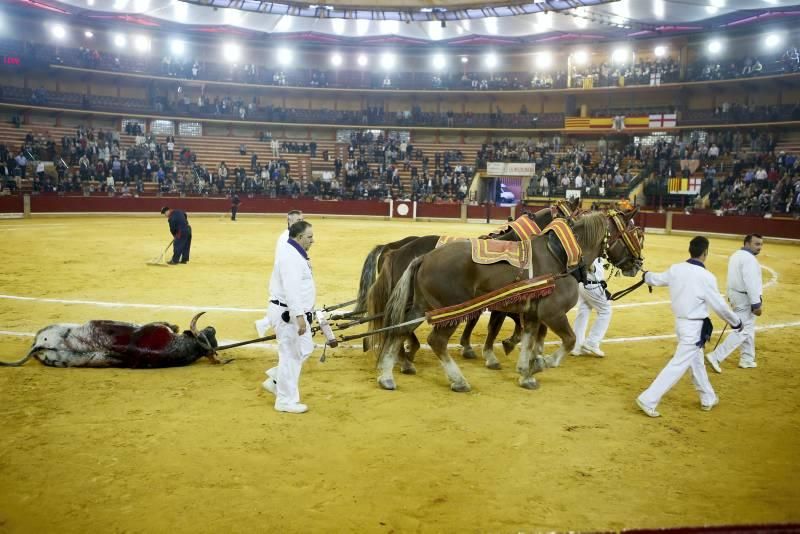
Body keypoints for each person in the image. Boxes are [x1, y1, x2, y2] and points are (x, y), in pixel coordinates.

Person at [636, 236, 743, 418]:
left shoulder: (676, 269)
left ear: (690, 250)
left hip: (681, 324)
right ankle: (648, 398)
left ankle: (707, 397)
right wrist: (736, 322)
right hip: (693, 328)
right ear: (705, 253)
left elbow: (656, 279)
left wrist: (646, 275)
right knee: (678, 364)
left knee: (696, 362)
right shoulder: (706, 277)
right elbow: (719, 306)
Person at [261, 220, 317, 414]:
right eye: (310, 237)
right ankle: (285, 400)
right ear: (299, 237)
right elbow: (291, 290)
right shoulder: (291, 257)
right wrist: (299, 316)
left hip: (292, 312)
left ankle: (278, 380)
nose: (313, 240)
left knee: (304, 349)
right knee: (291, 355)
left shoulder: (294, 253)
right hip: (289, 314)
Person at [705, 234, 764, 371]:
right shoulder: (749, 260)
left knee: (748, 328)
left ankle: (747, 358)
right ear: (747, 243)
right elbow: (751, 283)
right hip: (745, 298)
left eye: (761, 244)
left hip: (735, 295)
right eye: (756, 244)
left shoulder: (736, 255)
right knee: (743, 329)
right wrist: (756, 304)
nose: (760, 247)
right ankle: (716, 356)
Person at [255, 210, 304, 337]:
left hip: (286, 276)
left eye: (302, 220)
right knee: (286, 304)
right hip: (285, 276)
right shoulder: (286, 238)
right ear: (289, 221)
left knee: (287, 305)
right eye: (298, 220)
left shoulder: (294, 236)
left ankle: (263, 323)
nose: (301, 222)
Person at [571, 257, 612, 357]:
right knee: (605, 310)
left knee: (584, 309)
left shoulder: (586, 243)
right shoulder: (594, 244)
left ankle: (577, 346)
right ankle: (592, 343)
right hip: (592, 285)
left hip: (581, 284)